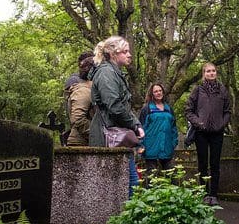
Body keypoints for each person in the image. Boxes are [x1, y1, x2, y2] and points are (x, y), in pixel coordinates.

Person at [88, 36, 145, 198]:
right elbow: (115, 106)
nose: (129, 55)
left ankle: (127, 220)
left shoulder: (114, 72)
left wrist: (135, 123)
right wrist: (135, 125)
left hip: (116, 134)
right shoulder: (106, 73)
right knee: (118, 184)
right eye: (125, 51)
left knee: (130, 181)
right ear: (114, 54)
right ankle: (122, 221)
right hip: (107, 134)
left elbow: (122, 106)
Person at [185, 62, 231, 207]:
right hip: (201, 133)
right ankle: (205, 194)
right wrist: (198, 122)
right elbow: (188, 110)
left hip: (217, 133)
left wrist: (221, 124)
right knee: (203, 164)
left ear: (216, 73)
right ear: (203, 74)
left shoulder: (223, 90)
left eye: (213, 71)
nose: (211, 73)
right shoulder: (198, 90)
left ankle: (214, 195)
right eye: (208, 71)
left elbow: (228, 111)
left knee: (215, 164)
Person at [138, 83, 178, 175]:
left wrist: (173, 143)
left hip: (167, 147)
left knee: (171, 175)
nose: (158, 93)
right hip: (150, 147)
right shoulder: (147, 109)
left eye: (160, 91)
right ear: (152, 94)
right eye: (156, 91)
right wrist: (141, 145)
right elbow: (141, 128)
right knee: (152, 176)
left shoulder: (169, 109)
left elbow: (174, 128)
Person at [66, 56, 95, 146]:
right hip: (80, 143)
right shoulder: (83, 90)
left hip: (87, 141)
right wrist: (96, 132)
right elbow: (77, 119)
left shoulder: (91, 88)